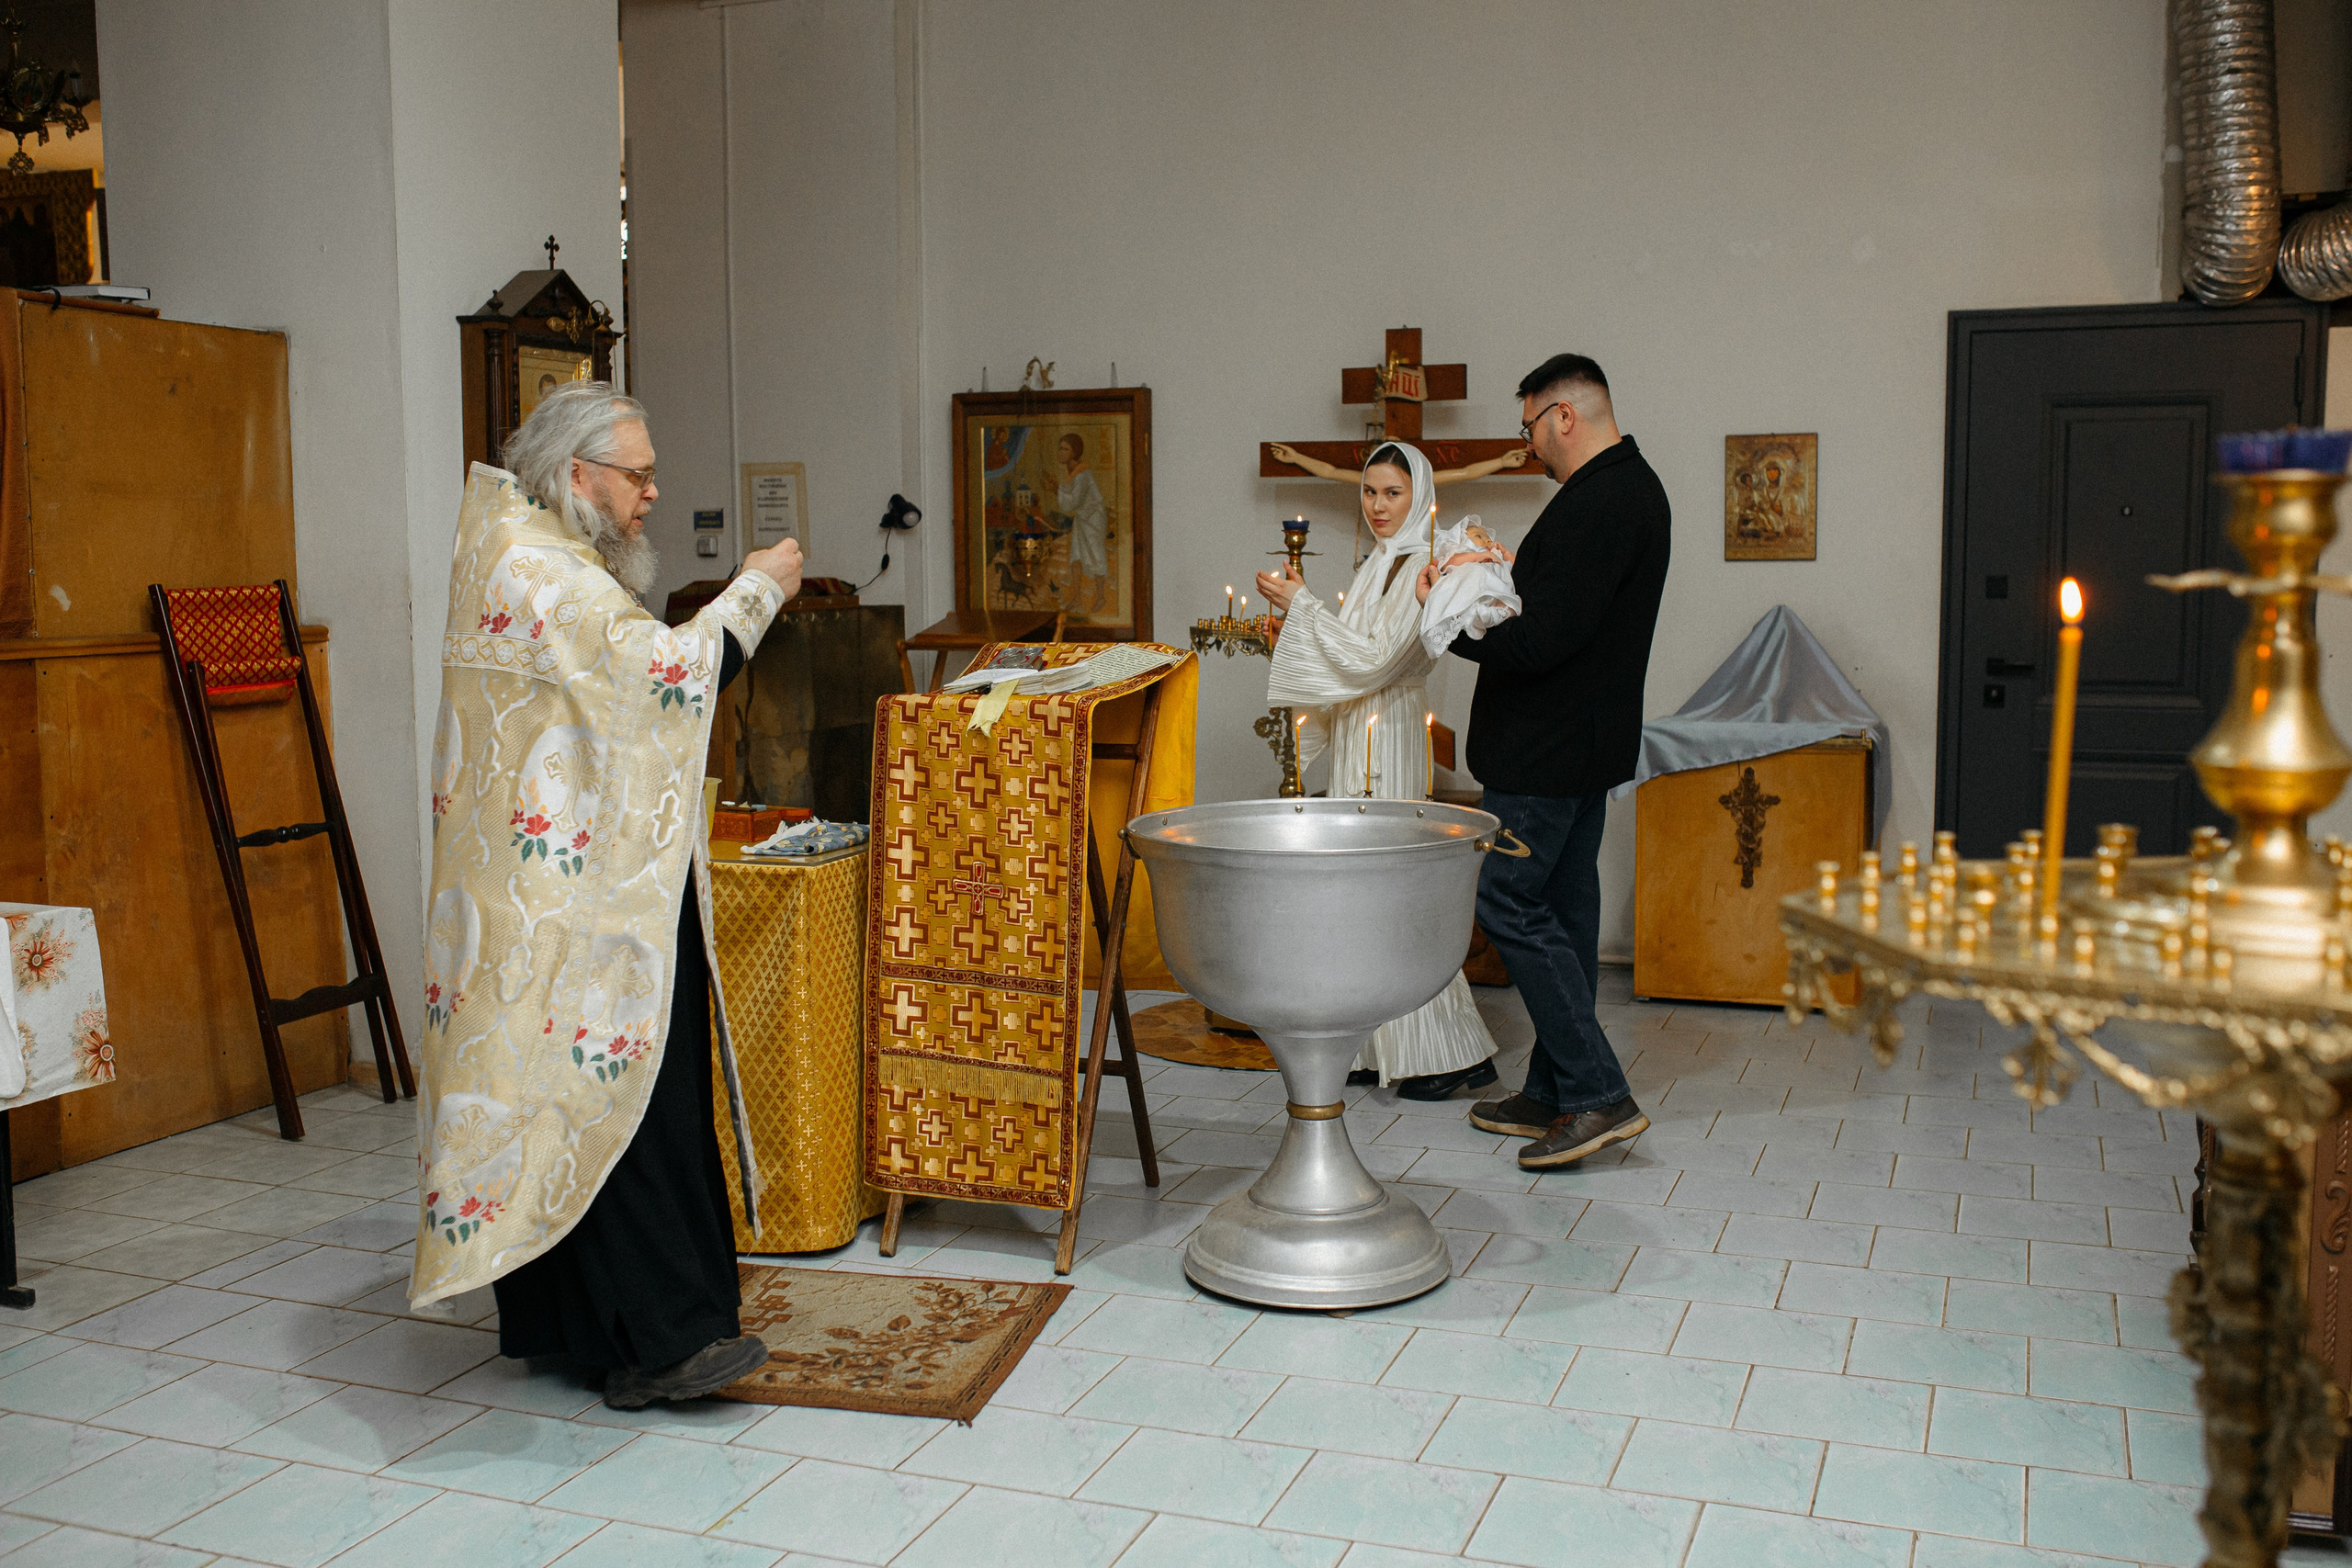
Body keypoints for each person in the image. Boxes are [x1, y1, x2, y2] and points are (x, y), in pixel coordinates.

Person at [410, 381, 806, 1408]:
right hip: (578, 907)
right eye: (636, 475)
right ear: (576, 473)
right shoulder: (543, 572)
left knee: (560, 1098)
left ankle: (571, 1326)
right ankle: (663, 1341)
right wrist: (757, 588)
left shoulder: (514, 549)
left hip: (549, 886)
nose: (652, 494)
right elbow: (666, 677)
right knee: (622, 1095)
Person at [1417, 353, 1669, 1168]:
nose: (1530, 447)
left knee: (1508, 900)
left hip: (1548, 747)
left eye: (1530, 429)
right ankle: (1554, 1089)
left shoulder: (1606, 499)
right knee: (1563, 910)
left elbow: (1546, 638)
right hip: (1578, 744)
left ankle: (1597, 1092)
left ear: (1565, 414)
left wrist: (1447, 615)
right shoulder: (1618, 491)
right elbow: (1558, 612)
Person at [1257, 441, 1501, 1099]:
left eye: (1392, 493)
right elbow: (1352, 653)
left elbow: (1379, 657)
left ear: (1418, 493)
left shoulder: (1425, 563)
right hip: (1360, 733)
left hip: (1391, 728)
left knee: (1396, 890)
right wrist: (1305, 614)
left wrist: (1302, 605)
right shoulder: (1375, 563)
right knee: (1359, 892)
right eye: (1369, 492)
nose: (1378, 505)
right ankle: (1373, 1046)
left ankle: (1447, 1052)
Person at [1055, 432, 1112, 615]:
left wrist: (1056, 489)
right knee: (1076, 557)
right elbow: (1070, 500)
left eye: (1065, 449)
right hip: (1082, 517)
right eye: (1060, 448)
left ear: (1074, 452)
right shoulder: (1070, 470)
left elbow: (1072, 502)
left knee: (1096, 555)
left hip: (1094, 518)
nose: (1061, 452)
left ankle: (1101, 596)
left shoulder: (1083, 474)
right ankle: (1077, 598)